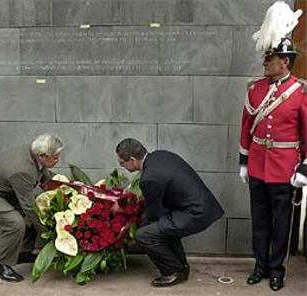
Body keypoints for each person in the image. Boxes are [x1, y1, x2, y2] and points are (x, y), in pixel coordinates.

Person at [239, 3, 306, 291]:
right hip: (257, 164)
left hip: (284, 167)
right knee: (260, 221)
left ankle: (277, 270)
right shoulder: (255, 89)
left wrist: (304, 167)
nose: (265, 63)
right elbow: (246, 126)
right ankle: (260, 266)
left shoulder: (300, 92)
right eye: (266, 58)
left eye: (271, 58)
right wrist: (243, 162)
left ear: (285, 62)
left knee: (280, 225)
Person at [115, 138, 224, 287]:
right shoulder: (160, 155)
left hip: (194, 213)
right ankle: (181, 266)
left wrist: (132, 229)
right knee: (163, 226)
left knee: (145, 235)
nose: (122, 166)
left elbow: (153, 215)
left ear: (132, 160)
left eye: (122, 163)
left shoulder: (149, 177)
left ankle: (173, 271)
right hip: (201, 206)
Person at [0, 133, 63, 283]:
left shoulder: (32, 153)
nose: (58, 160)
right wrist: (46, 233)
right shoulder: (22, 169)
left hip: (3, 190)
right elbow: (28, 207)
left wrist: (65, 186)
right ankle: (2, 266)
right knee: (15, 223)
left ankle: (22, 252)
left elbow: (43, 173)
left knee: (32, 215)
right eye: (55, 157)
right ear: (42, 155)